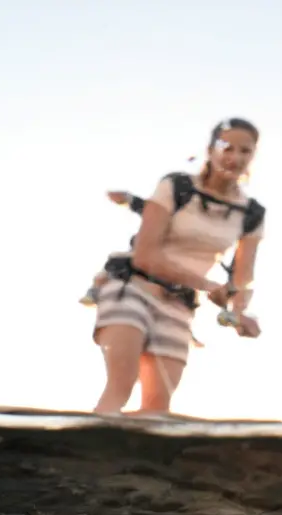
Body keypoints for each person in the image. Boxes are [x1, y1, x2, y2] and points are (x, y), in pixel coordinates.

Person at [92, 118, 265, 416]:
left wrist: (239, 314)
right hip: (132, 289)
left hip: (179, 305)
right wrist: (208, 285)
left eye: (245, 151)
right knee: (120, 388)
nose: (234, 157)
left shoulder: (251, 213)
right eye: (227, 147)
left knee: (157, 410)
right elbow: (145, 256)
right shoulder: (176, 185)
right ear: (211, 150)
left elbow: (242, 279)